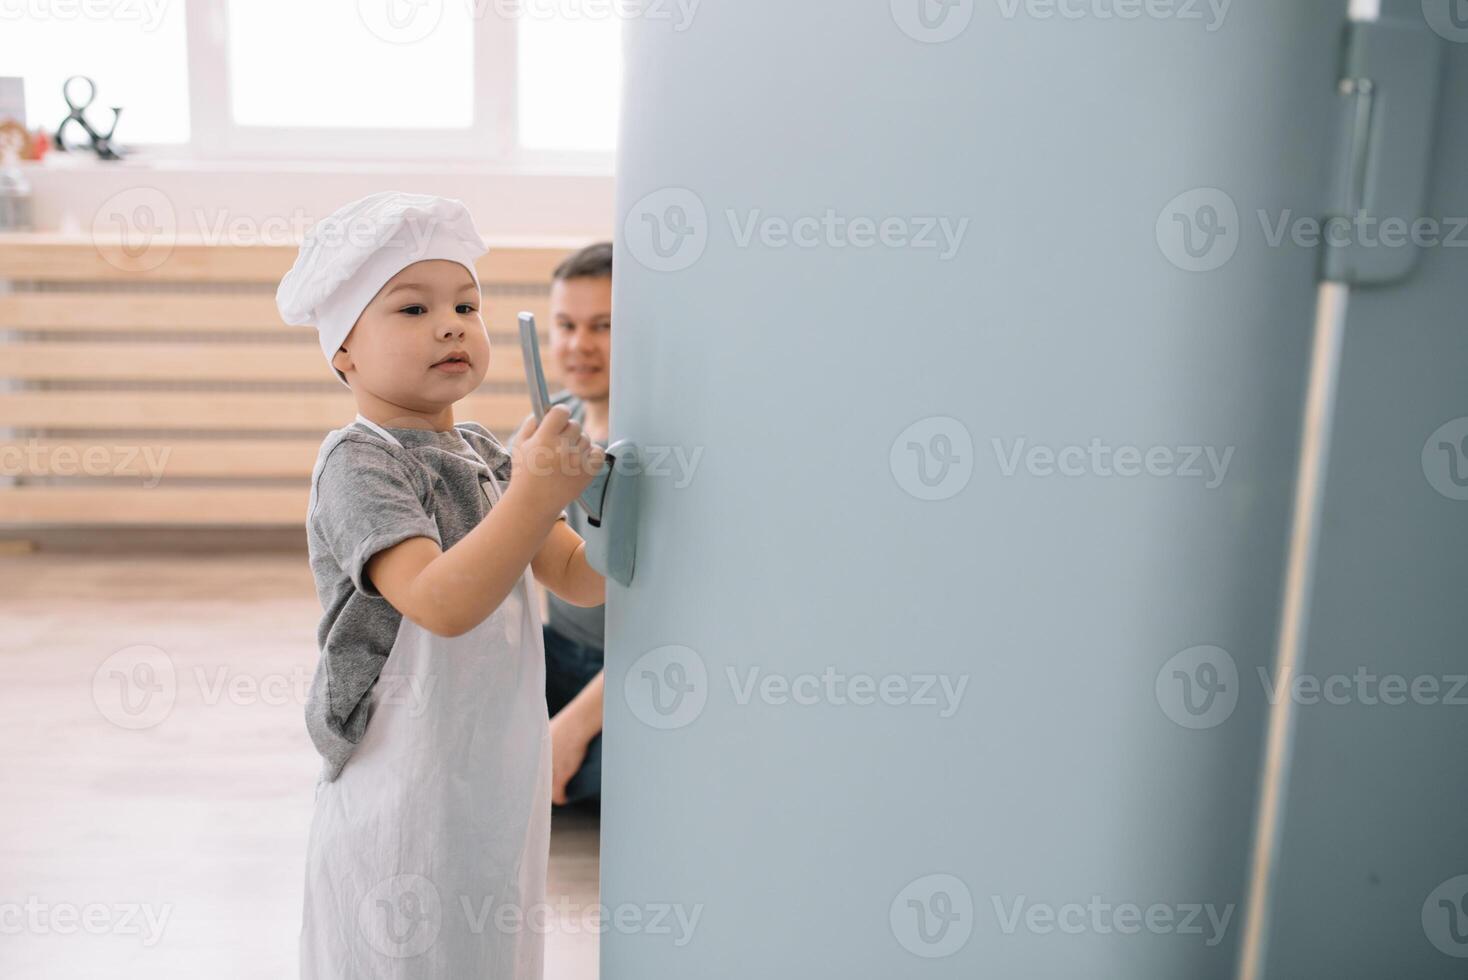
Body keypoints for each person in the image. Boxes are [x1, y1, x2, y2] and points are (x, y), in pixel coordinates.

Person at [276, 192, 605, 978]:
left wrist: (601, 513)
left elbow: (573, 576)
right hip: (404, 771)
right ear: (343, 351)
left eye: (466, 304)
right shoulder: (359, 463)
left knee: (481, 939)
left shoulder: (487, 451)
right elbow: (441, 602)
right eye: (412, 308)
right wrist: (531, 494)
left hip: (491, 762)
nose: (451, 323)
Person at [538, 243, 612, 807]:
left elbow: (676, 634)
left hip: (626, 674)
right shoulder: (555, 418)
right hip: (559, 650)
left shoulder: (665, 449)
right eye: (565, 324)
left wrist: (572, 728)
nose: (578, 345)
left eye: (603, 326)